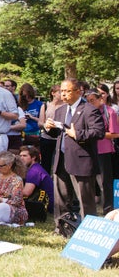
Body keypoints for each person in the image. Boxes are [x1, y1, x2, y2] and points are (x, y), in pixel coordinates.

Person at [44, 78, 104, 228]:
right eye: (62, 91)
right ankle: (62, 227)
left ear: (78, 91)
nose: (63, 95)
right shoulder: (60, 110)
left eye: (67, 91)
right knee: (61, 197)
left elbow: (98, 132)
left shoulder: (89, 109)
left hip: (81, 160)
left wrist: (77, 134)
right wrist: (49, 128)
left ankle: (89, 229)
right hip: (61, 158)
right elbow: (57, 134)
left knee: (85, 200)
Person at [85, 87, 119, 214]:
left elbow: (115, 134)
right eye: (88, 101)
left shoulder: (110, 112)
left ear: (100, 99)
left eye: (93, 100)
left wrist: (97, 134)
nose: (90, 103)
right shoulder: (86, 111)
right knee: (88, 180)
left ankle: (108, 209)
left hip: (103, 150)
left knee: (105, 182)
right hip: (88, 149)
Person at [18, 145, 53, 222]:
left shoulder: (34, 171)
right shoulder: (35, 168)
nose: (21, 158)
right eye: (20, 156)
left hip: (45, 206)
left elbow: (26, 193)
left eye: (24, 156)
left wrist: (8, 191)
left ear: (33, 157)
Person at [37, 84, 61, 174]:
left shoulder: (66, 106)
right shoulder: (45, 105)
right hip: (47, 137)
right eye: (60, 91)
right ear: (53, 93)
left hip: (60, 138)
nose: (62, 94)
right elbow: (40, 122)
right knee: (45, 163)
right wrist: (46, 125)